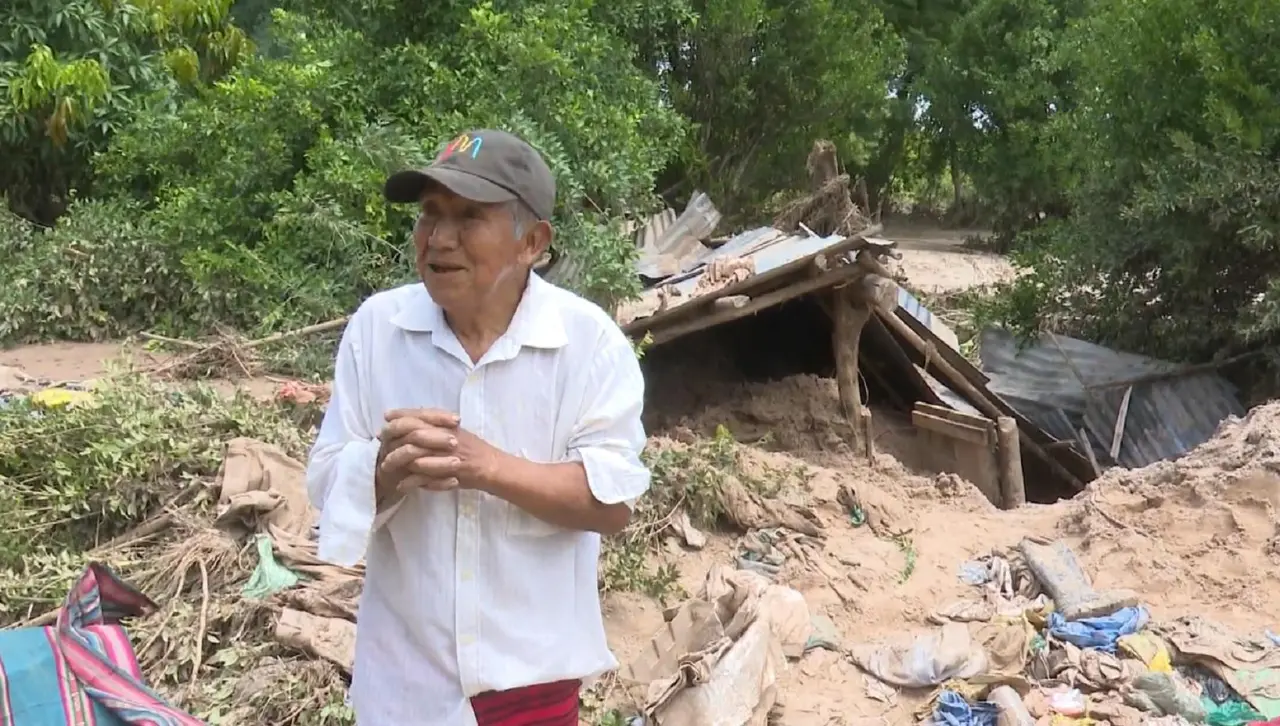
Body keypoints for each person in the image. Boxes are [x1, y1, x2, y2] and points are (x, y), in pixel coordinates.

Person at [305, 129, 651, 726]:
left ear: (532, 242)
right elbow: (324, 480)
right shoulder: (377, 329)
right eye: (430, 215)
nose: (438, 238)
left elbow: (611, 503)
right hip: (403, 685)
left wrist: (485, 466)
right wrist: (381, 472)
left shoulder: (587, 344)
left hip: (530, 686)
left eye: (467, 217)